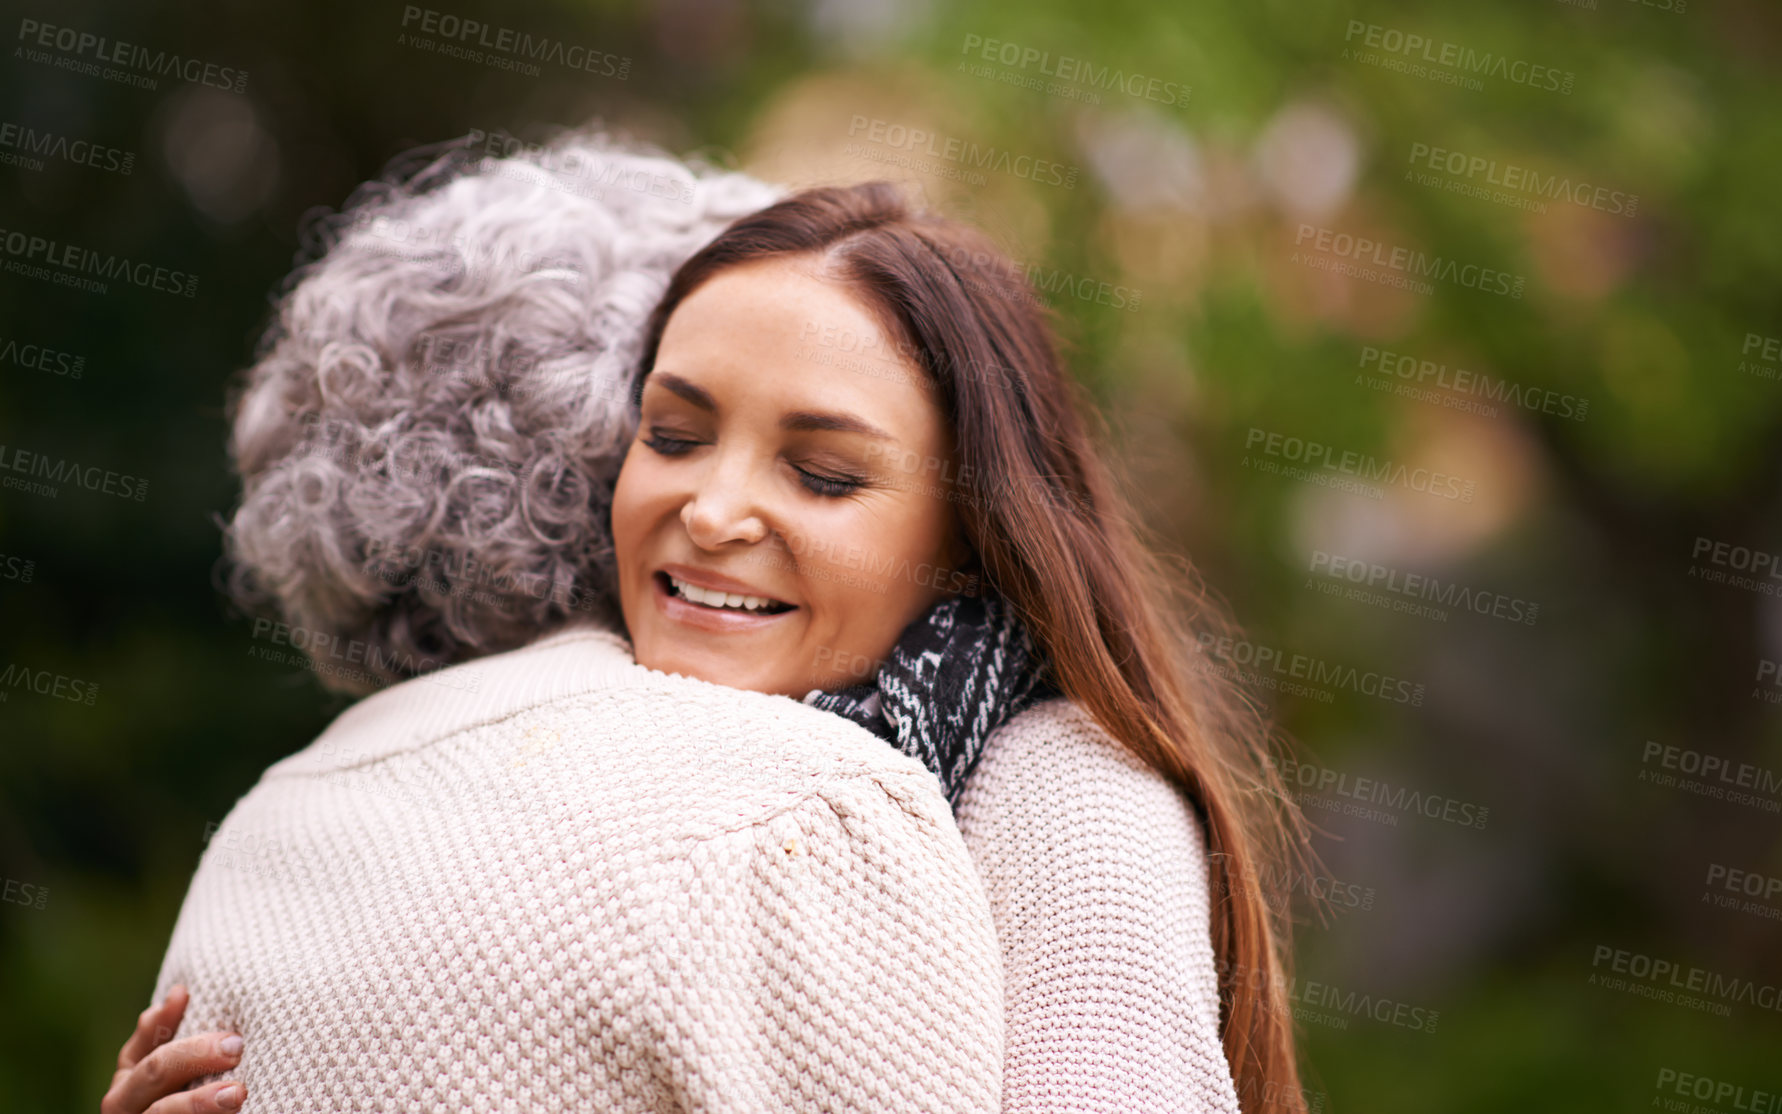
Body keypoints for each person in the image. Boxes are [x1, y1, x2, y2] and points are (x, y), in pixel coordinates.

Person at [108, 131, 1313, 1114]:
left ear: (967, 540)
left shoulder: (1063, 796)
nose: (714, 508)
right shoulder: (537, 744)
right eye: (673, 436)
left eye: (825, 476)